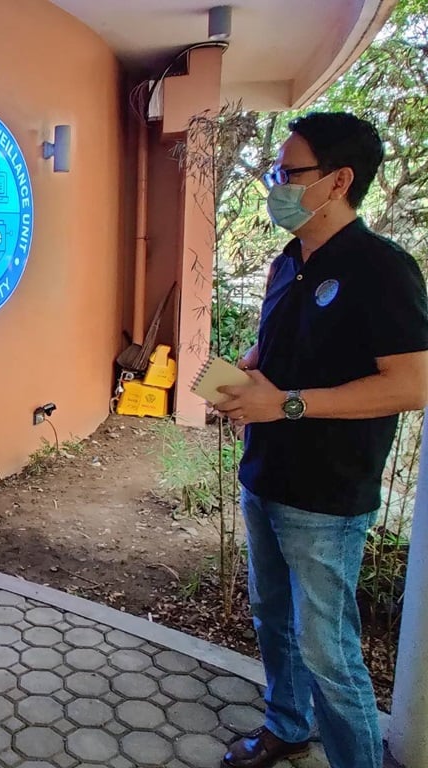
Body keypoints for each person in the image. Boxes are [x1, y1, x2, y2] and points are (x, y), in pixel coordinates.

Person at [216, 112, 428, 768]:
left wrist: (285, 404)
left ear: (338, 180)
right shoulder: (288, 261)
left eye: (288, 173)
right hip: (265, 475)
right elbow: (277, 347)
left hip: (327, 499)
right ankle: (287, 725)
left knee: (328, 653)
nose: (274, 186)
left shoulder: (382, 269)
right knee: (271, 618)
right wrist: (244, 376)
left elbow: (411, 385)